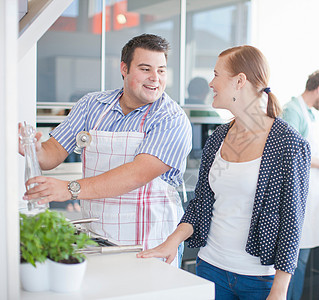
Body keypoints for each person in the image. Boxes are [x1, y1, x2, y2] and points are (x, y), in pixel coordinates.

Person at [137, 45, 311, 300]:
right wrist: (172, 241)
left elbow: (291, 223)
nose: (211, 82)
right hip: (210, 269)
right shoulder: (218, 137)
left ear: (240, 81)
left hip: (259, 279)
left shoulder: (289, 144)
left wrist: (280, 291)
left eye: (217, 74)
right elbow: (201, 203)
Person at [20, 34, 192, 267]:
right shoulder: (92, 105)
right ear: (124, 68)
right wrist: (34, 149)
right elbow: (52, 154)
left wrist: (68, 189)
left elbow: (136, 174)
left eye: (161, 70)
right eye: (145, 69)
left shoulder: (171, 118)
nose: (155, 78)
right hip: (97, 239)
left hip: (152, 244)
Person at [282, 69, 319, 299]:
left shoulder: (308, 113)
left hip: (309, 197)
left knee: (300, 261)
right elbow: (291, 152)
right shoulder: (292, 111)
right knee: (292, 264)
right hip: (297, 197)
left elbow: (309, 151)